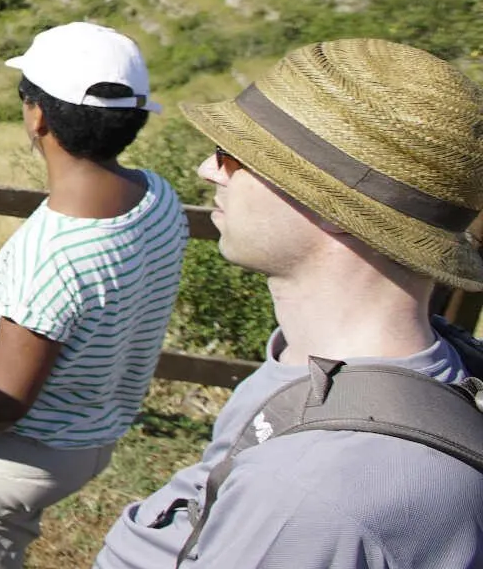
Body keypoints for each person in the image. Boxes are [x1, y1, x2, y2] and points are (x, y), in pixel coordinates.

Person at [96, 38, 483, 568]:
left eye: (234, 156)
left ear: (332, 206)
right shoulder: (336, 370)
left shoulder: (311, 494)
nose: (209, 170)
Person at [0, 22, 187, 569]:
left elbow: (4, 400)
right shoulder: (159, 199)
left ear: (37, 115)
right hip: (88, 433)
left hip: (6, 456)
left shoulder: (57, 252)